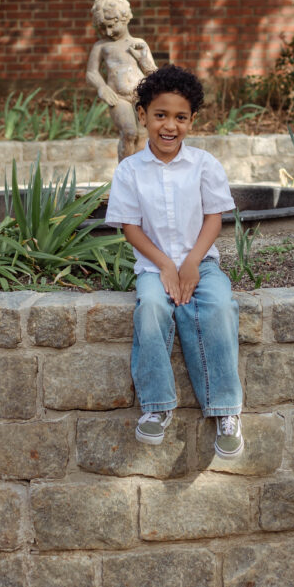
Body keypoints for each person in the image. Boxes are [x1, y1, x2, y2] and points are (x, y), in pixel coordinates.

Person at [105, 63, 244, 457]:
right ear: (143, 116)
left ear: (192, 121)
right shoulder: (130, 171)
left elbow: (214, 218)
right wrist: (166, 265)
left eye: (180, 117)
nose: (170, 125)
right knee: (151, 306)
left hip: (203, 262)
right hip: (152, 266)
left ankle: (226, 411)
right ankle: (156, 407)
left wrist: (191, 263)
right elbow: (130, 226)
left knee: (218, 306)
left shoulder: (204, 165)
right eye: (160, 115)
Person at [86, 0, 157, 161]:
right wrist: (102, 87)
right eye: (103, 28)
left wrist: (143, 59)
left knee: (143, 134)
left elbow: (153, 73)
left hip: (141, 95)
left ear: (124, 18)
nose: (108, 31)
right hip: (118, 98)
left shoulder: (138, 43)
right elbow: (91, 72)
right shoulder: (101, 46)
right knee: (129, 133)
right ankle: (124, 173)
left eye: (111, 25)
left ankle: (139, 174)